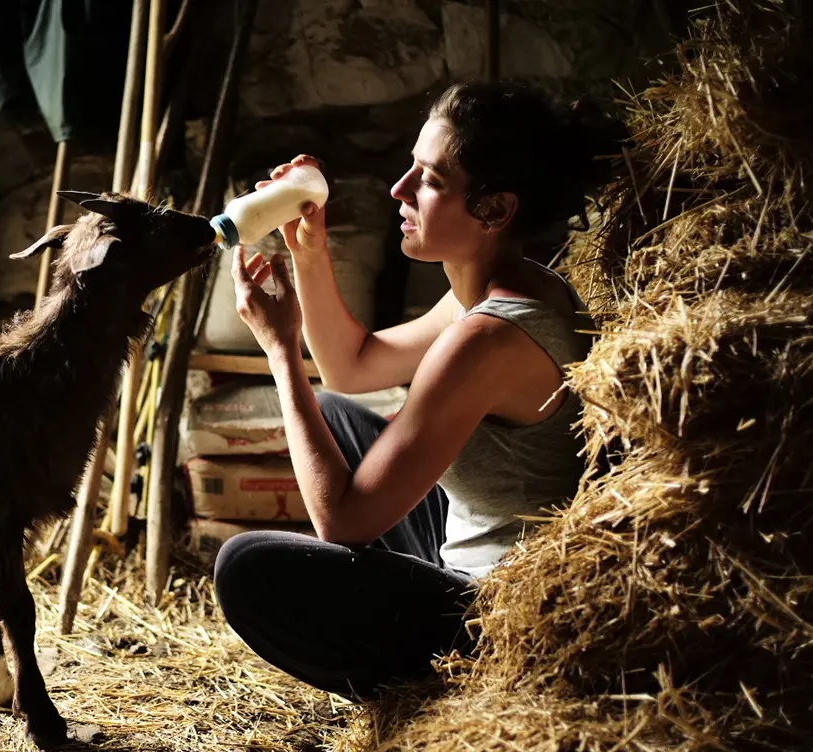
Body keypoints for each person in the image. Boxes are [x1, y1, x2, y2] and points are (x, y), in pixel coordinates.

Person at [213, 81, 624, 701]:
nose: (398, 190)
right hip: (469, 539)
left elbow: (341, 522)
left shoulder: (489, 336)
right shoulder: (495, 290)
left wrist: (279, 352)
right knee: (333, 413)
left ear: (494, 209)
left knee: (246, 567)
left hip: (496, 617)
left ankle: (424, 697)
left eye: (429, 180)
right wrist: (311, 252)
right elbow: (351, 366)